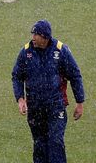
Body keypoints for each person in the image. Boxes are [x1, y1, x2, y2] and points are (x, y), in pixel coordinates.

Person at [12, 20, 85, 163]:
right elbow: (17, 76)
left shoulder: (61, 51)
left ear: (44, 37)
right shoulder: (26, 52)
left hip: (56, 106)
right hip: (35, 107)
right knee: (39, 145)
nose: (33, 37)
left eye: (36, 34)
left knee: (55, 143)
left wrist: (80, 102)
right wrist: (20, 98)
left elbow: (75, 75)